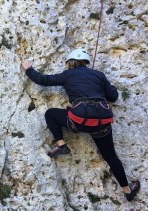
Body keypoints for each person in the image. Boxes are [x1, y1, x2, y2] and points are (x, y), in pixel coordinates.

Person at [22, 48, 140, 201]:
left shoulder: (68, 75)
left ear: (70, 62)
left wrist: (28, 68)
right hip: (101, 124)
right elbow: (113, 96)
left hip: (78, 121)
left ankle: (61, 145)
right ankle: (127, 190)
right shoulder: (99, 75)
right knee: (110, 157)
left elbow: (43, 80)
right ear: (86, 62)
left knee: (50, 114)